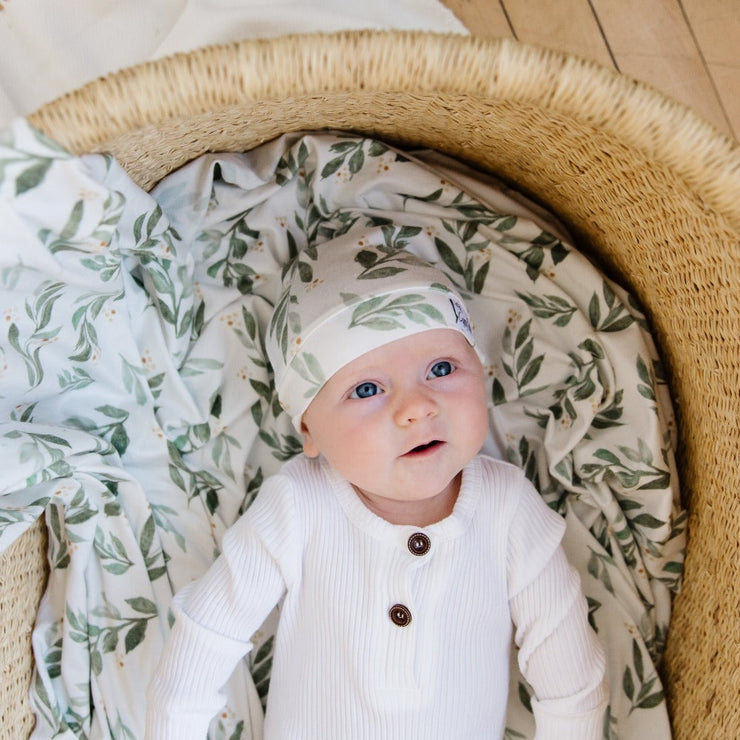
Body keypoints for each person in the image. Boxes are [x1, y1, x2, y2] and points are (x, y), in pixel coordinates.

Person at [146, 239, 608, 739]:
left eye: (441, 369)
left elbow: (573, 685)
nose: (417, 407)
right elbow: (206, 637)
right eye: (367, 389)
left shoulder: (509, 510)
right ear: (309, 431)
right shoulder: (298, 508)